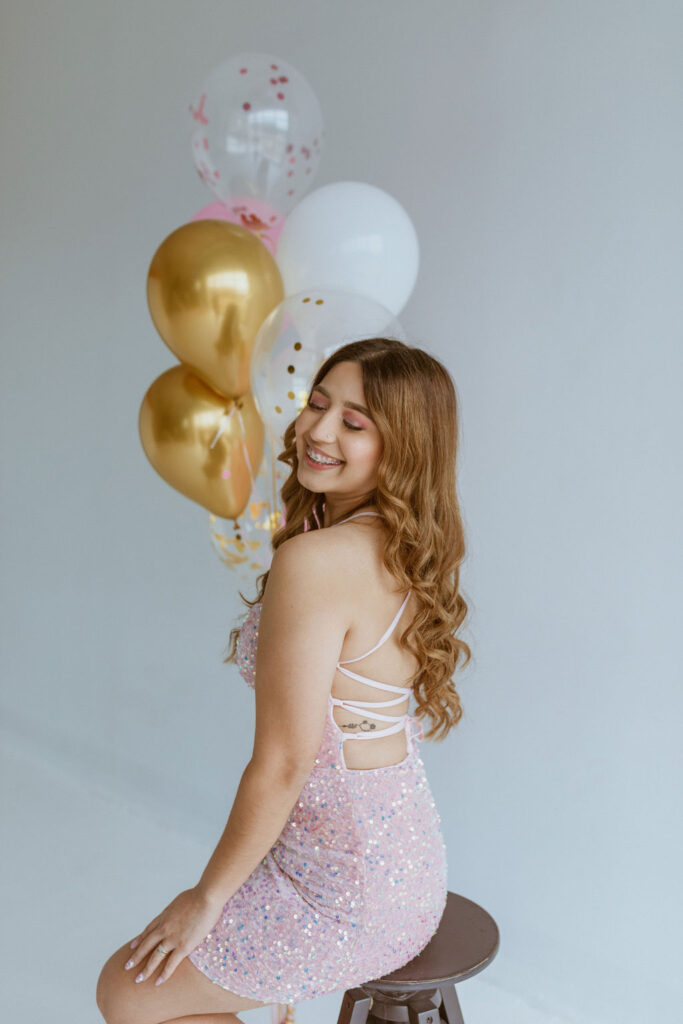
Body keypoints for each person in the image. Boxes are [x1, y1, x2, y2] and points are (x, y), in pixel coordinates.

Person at [96, 337, 471, 1024]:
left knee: (127, 991)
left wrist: (205, 899)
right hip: (403, 867)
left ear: (403, 446)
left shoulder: (319, 560)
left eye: (354, 423)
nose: (317, 431)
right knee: (137, 981)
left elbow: (286, 760)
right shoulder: (408, 544)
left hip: (350, 889)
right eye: (317, 404)